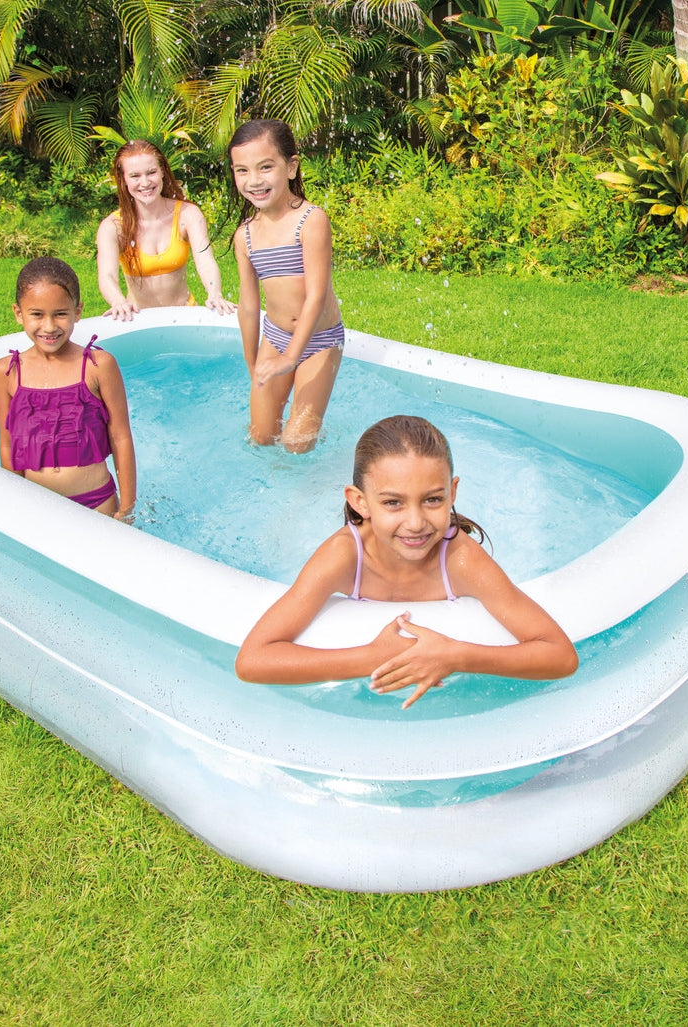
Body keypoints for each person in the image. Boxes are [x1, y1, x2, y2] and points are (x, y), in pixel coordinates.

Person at [235, 415, 578, 709]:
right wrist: (368, 658)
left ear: (452, 493)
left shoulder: (459, 559)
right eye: (393, 503)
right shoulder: (344, 557)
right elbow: (253, 660)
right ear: (359, 502)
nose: (415, 523)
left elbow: (560, 655)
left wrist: (457, 656)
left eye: (433, 500)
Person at [228, 119, 344, 453]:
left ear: (291, 167)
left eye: (265, 167)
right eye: (242, 170)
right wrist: (252, 363)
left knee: (296, 443)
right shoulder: (245, 235)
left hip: (319, 341)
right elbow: (249, 305)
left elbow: (316, 296)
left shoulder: (311, 220)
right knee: (261, 437)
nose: (254, 180)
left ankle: (313, 426)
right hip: (276, 338)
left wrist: (292, 358)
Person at [0, 257, 137, 520]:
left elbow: (121, 438)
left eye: (60, 314)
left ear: (77, 312)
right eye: (37, 314)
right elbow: (8, 444)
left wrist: (126, 508)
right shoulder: (7, 371)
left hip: (96, 502)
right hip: (36, 505)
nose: (49, 327)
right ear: (18, 313)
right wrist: (13, 506)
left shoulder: (97, 365)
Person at [96, 139, 235, 320]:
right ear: (123, 180)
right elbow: (107, 276)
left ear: (162, 171)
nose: (145, 182)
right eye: (135, 176)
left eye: (151, 172)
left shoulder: (188, 214)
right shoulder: (113, 227)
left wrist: (214, 293)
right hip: (137, 319)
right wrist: (118, 301)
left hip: (184, 315)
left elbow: (205, 261)